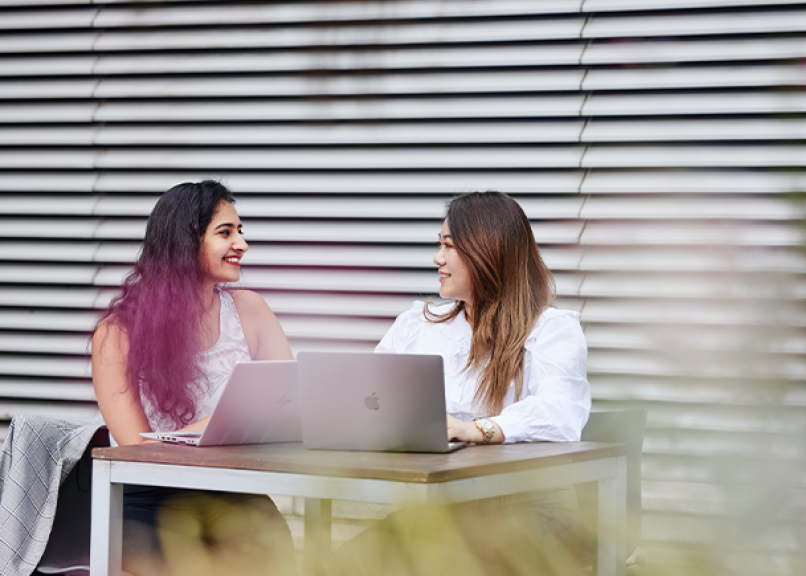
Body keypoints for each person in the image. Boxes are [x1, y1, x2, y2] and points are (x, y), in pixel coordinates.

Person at [345, 190, 591, 575]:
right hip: (442, 509)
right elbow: (369, 395)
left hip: (528, 509)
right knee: (344, 563)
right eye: (438, 245)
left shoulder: (551, 331)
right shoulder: (418, 325)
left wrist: (474, 429)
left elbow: (559, 412)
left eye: (448, 246)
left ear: (486, 251)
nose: (437, 258)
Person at [91, 181, 296, 576]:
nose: (242, 244)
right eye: (225, 232)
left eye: (241, 231)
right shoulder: (117, 334)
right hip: (146, 503)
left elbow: (288, 402)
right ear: (185, 241)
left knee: (276, 554)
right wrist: (217, 426)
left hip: (233, 493)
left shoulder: (249, 310)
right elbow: (136, 456)